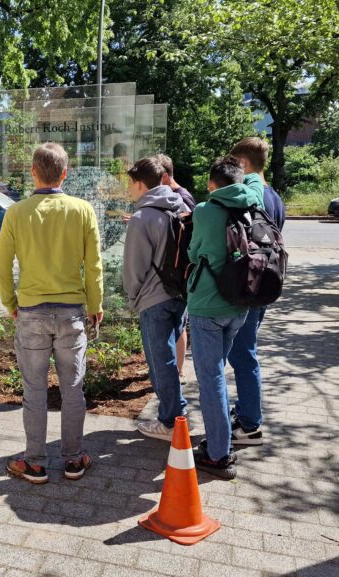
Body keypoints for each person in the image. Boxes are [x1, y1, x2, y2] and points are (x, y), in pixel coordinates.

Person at [0, 142, 103, 484]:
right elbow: (95, 265)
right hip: (71, 312)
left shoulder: (16, 213)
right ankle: (73, 460)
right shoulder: (83, 209)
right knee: (73, 389)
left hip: (31, 312)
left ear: (33, 173)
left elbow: (2, 266)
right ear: (64, 173)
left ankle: (36, 462)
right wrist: (96, 305)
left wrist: (10, 303)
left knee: (34, 390)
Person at [186, 156, 264, 479]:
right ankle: (224, 438)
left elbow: (193, 253)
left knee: (211, 378)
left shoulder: (204, 212)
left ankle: (218, 453)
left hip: (207, 307)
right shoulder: (252, 205)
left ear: (210, 184)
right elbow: (257, 181)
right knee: (220, 370)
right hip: (240, 307)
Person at [121, 157, 190, 442]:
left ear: (139, 184)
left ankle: (170, 420)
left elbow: (134, 267)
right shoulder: (182, 207)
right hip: (180, 293)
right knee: (169, 359)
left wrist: (133, 296)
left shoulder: (142, 218)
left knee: (159, 361)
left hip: (153, 298)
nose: (128, 189)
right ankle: (177, 413)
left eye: (129, 184)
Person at [226, 137, 286, 446]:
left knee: (243, 354)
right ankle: (246, 413)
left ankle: (250, 424)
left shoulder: (251, 196)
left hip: (249, 287)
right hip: (266, 286)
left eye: (234, 163)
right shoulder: (274, 196)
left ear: (245, 164)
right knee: (245, 352)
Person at [153, 154, 195, 378]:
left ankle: (178, 370)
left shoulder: (182, 197)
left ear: (166, 176)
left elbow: (186, 228)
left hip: (180, 271)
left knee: (179, 323)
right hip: (173, 268)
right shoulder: (173, 195)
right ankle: (171, 368)